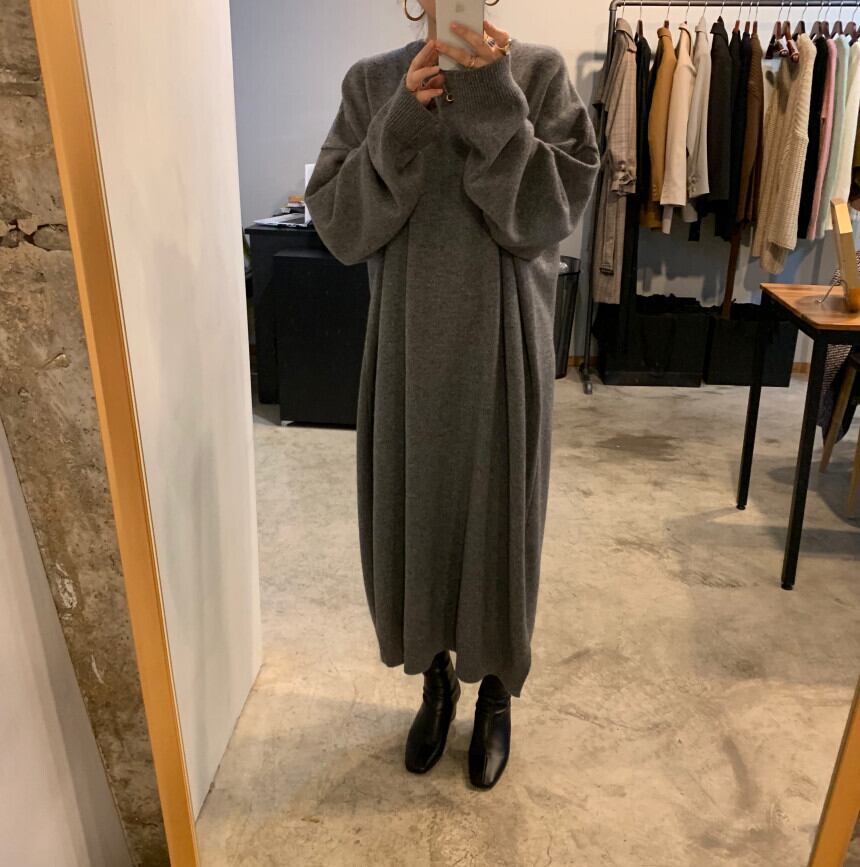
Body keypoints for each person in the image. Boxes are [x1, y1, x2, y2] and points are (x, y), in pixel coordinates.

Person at [305, 0, 599, 790]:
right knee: (417, 513)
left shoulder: (538, 75)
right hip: (408, 347)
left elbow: (547, 215)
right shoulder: (373, 84)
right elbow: (338, 225)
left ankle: (496, 691)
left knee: (501, 518)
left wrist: (495, 97)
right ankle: (435, 679)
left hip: (505, 346)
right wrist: (400, 123)